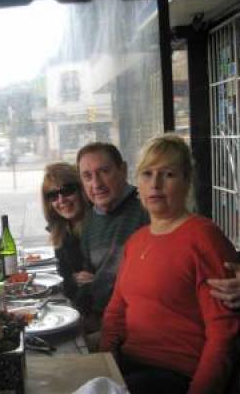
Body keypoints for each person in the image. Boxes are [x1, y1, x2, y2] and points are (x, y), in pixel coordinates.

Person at [100, 135, 239, 394]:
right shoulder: (137, 240)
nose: (155, 184)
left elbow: (224, 333)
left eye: (168, 174)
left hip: (174, 374)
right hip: (129, 367)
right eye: (147, 174)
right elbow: (116, 311)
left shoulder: (203, 236)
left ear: (187, 182)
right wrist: (104, 367)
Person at [76, 142, 149, 329]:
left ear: (123, 170)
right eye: (87, 176)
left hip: (136, 323)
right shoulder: (90, 219)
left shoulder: (147, 208)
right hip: (103, 320)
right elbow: (86, 277)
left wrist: (99, 281)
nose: (96, 184)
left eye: (104, 172)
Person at [41, 162, 87, 303]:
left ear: (81, 190)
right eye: (53, 195)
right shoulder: (61, 229)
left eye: (67, 191)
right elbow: (66, 278)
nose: (61, 200)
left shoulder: (96, 225)